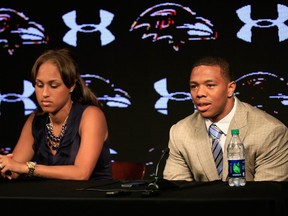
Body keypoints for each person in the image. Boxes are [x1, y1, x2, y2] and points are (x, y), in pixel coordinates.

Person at [163, 56, 288, 182]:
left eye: (210, 85)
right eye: (194, 86)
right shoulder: (180, 132)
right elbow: (177, 193)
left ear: (230, 88)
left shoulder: (270, 132)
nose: (199, 93)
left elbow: (267, 195)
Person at [0, 48, 112, 180]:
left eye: (53, 85)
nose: (45, 93)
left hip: (89, 197)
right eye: (39, 85)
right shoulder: (36, 119)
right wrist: (5, 166)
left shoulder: (91, 116)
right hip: (50, 198)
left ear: (71, 86)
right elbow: (14, 170)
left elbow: (81, 173)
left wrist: (26, 167)